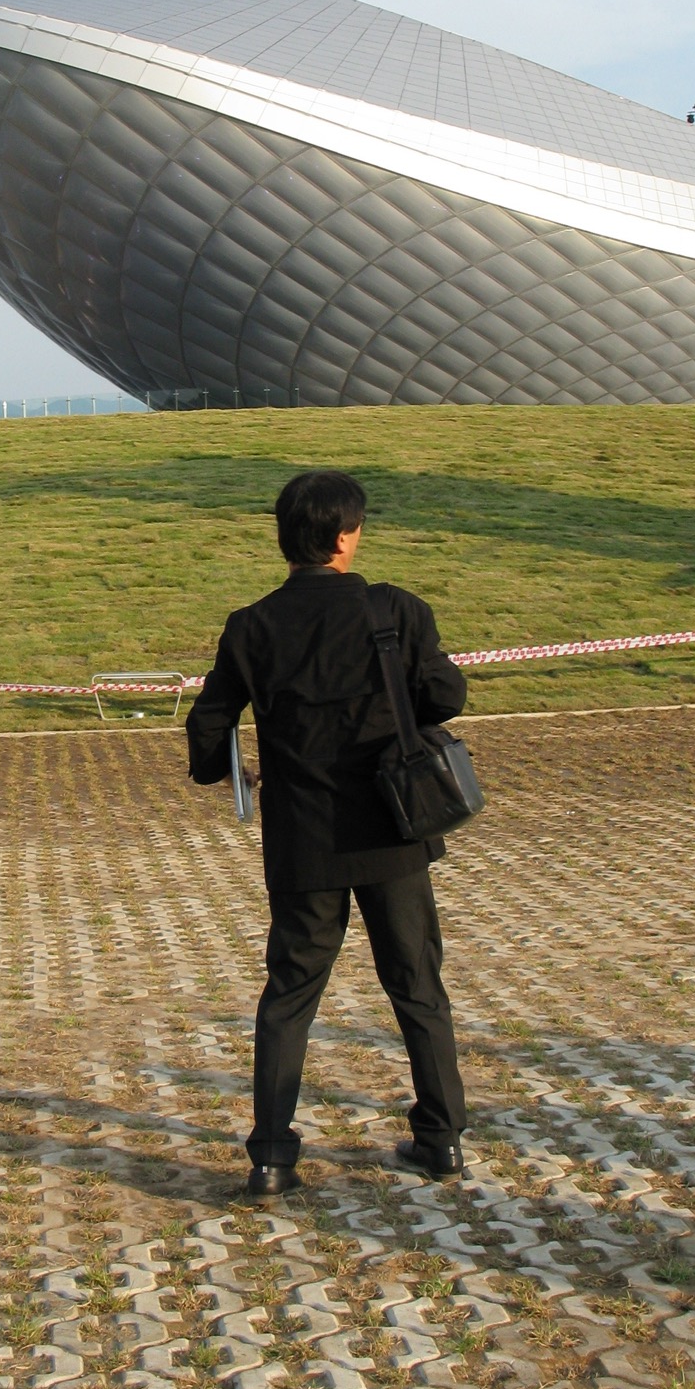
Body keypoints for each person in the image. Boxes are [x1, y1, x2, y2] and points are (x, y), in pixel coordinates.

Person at [186, 468, 470, 1198]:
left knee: (289, 993)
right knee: (417, 986)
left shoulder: (251, 625)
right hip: (394, 831)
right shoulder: (397, 612)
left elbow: (207, 727)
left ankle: (273, 1155)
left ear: (286, 539)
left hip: (302, 839)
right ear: (346, 537)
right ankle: (440, 1140)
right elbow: (446, 695)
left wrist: (233, 771)